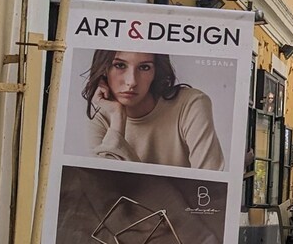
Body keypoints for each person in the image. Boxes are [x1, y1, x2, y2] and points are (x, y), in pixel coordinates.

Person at [82, 49, 225, 171]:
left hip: (187, 204)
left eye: (144, 67)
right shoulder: (102, 122)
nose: (131, 81)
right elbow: (106, 190)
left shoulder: (190, 104)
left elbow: (209, 186)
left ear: (156, 72)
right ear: (104, 70)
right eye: (119, 65)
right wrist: (117, 118)